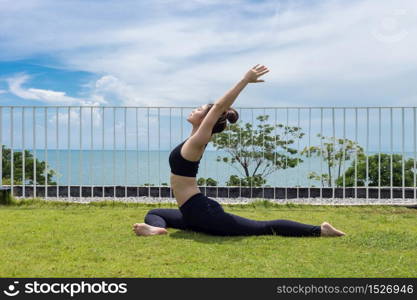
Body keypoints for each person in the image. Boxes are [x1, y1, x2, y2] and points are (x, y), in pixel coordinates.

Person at [133, 65, 345, 237]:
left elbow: (217, 108)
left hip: (201, 211)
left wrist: (245, 80)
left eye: (199, 110)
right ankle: (157, 229)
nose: (194, 109)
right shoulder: (191, 140)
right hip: (192, 211)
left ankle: (320, 230)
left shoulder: (198, 141)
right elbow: (214, 110)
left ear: (208, 120)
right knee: (154, 213)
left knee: (262, 227)